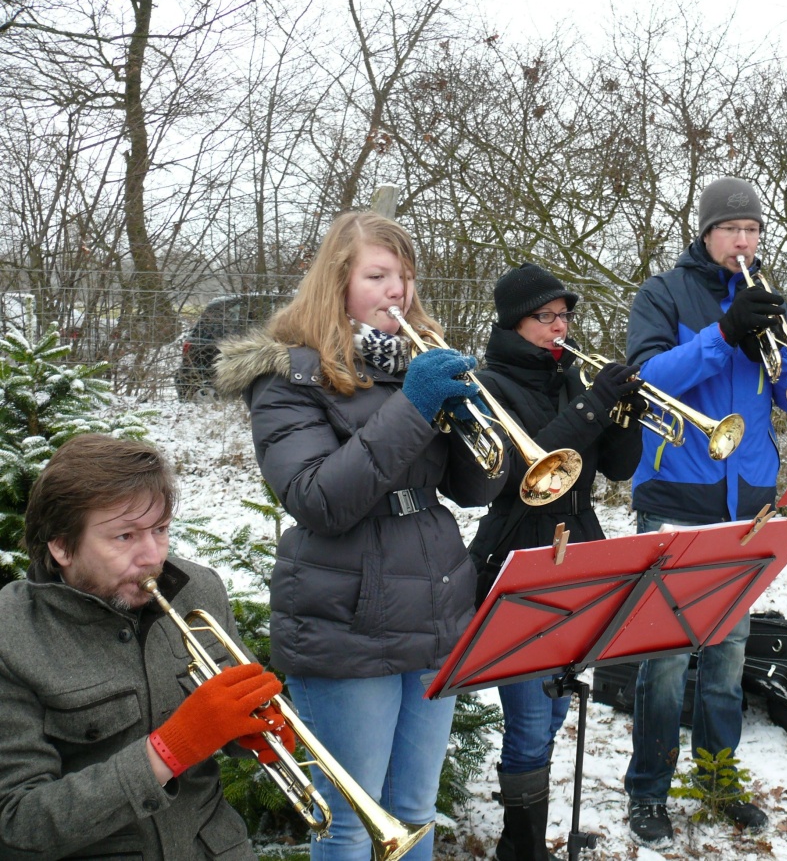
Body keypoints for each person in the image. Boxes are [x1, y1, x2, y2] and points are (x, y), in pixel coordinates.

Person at [214, 210, 508, 861]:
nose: (396, 290)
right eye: (378, 275)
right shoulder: (287, 378)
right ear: (336, 282)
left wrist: (475, 423)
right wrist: (415, 409)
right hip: (345, 621)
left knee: (415, 814)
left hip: (435, 611)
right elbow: (319, 498)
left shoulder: (414, 365)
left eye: (404, 276)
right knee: (349, 824)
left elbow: (471, 491)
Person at [621, 176, 787, 846]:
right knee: (666, 658)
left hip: (748, 500)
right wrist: (724, 334)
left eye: (754, 230)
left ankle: (717, 776)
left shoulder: (766, 296)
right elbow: (646, 382)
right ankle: (648, 788)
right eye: (733, 229)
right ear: (706, 233)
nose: (745, 240)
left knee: (729, 654)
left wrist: (786, 356)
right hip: (677, 496)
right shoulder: (664, 293)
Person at [0, 433, 294, 860]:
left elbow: (237, 708)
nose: (152, 556)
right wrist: (168, 751)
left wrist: (258, 730)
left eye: (160, 530)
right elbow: (17, 824)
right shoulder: (12, 635)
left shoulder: (200, 591)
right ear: (61, 545)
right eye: (124, 537)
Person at [467, 262, 644, 861]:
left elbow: (617, 468)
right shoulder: (486, 383)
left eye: (564, 315)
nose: (558, 326)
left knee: (555, 704)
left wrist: (627, 413)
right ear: (515, 323)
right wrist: (596, 404)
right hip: (519, 553)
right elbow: (527, 469)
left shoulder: (570, 377)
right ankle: (520, 848)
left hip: (580, 550)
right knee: (528, 718)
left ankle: (524, 837)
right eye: (546, 317)